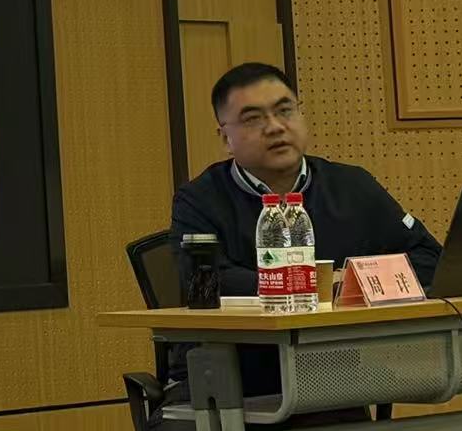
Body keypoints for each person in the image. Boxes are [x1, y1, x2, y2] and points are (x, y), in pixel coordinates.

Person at [165, 62, 442, 426]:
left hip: (326, 380)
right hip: (223, 383)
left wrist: (357, 282)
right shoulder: (199, 200)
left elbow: (429, 258)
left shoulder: (352, 186)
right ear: (225, 138)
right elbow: (206, 281)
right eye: (252, 119)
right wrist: (318, 284)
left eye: (285, 110)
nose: (275, 127)